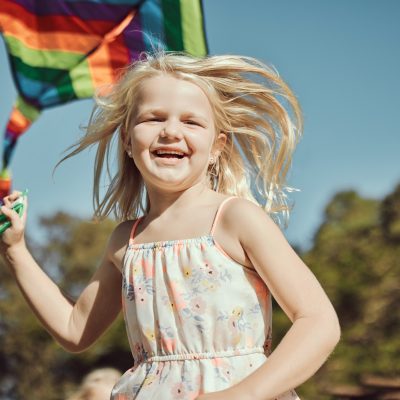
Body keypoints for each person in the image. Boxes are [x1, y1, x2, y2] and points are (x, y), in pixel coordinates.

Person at [0, 51, 341, 400]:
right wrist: (15, 251)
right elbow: (74, 330)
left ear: (217, 147)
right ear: (128, 141)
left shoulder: (236, 219)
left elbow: (318, 321)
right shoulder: (125, 240)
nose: (171, 131)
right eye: (153, 118)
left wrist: (246, 394)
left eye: (192, 122)